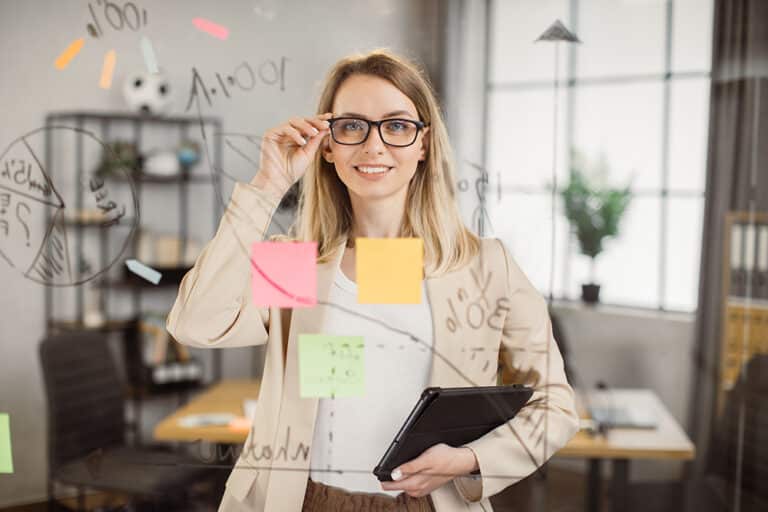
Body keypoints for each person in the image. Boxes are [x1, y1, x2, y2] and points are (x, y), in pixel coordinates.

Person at [167, 49, 579, 512]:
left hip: (429, 505)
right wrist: (266, 186)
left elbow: (555, 406)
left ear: (424, 144)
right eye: (352, 126)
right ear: (327, 143)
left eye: (398, 125)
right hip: (300, 501)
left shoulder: (484, 265)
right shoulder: (298, 263)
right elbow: (195, 323)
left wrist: (470, 459)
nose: (374, 146)